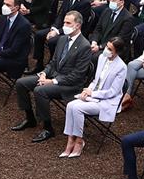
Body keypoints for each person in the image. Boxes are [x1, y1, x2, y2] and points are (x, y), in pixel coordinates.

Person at [12, 11, 93, 143]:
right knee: (21, 83)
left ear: (77, 25)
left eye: (68, 23)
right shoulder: (62, 39)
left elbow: (77, 75)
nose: (64, 25)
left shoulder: (84, 46)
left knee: (40, 90)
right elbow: (53, 62)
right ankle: (30, 118)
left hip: (70, 85)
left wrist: (52, 81)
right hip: (54, 77)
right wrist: (44, 73)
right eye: (64, 22)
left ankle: (48, 128)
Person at [60, 38, 127, 158]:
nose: (106, 50)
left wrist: (93, 94)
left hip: (106, 101)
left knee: (77, 109)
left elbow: (113, 92)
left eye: (110, 49)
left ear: (117, 52)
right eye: (106, 46)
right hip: (94, 96)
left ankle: (79, 141)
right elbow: (96, 81)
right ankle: (70, 139)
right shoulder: (102, 58)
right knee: (70, 105)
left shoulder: (121, 67)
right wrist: (88, 90)